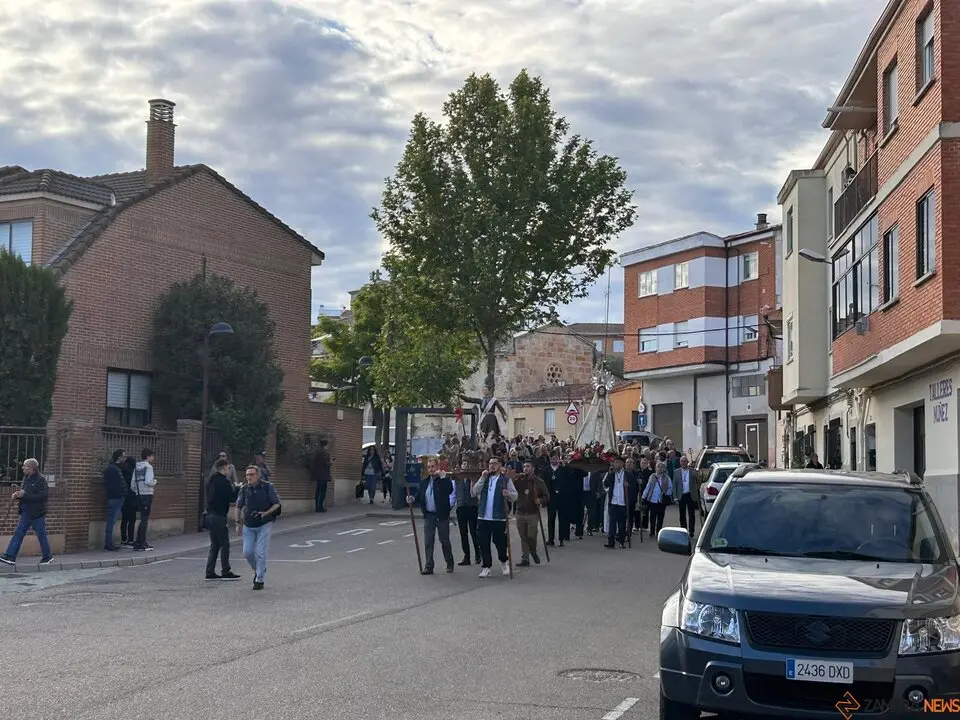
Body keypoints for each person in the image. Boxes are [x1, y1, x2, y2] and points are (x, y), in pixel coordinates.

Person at [470, 456, 518, 578]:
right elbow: (474, 492)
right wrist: (482, 477)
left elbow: (515, 496)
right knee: (483, 543)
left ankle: (504, 562)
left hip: (499, 517)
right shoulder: (484, 478)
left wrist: (509, 494)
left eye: (494, 464)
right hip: (483, 517)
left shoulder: (505, 480)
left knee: (500, 543)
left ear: (500, 466)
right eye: (490, 464)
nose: (492, 466)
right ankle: (486, 567)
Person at [235, 465, 281, 590]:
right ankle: (259, 569)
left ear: (258, 475)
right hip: (248, 524)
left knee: (260, 552)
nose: (249, 477)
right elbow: (238, 506)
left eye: (252, 474)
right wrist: (237, 523)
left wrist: (266, 513)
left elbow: (277, 504)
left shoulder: (267, 487)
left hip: (264, 523)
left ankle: (259, 579)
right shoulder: (244, 489)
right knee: (247, 552)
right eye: (247, 475)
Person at [0, 459, 54, 566]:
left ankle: (47, 557)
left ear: (31, 468)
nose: (23, 468)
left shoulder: (41, 480)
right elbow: (25, 493)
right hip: (26, 511)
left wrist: (24, 495)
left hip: (37, 513)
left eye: (25, 466)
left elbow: (42, 497)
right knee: (19, 533)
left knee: (41, 535)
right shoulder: (26, 478)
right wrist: (18, 495)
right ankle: (10, 556)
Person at [407, 457, 456, 575]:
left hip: (441, 516)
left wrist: (443, 477)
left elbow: (449, 490)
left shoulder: (443, 480)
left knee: (444, 540)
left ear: (438, 467)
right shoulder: (424, 482)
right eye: (429, 467)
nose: (431, 470)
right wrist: (412, 499)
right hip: (429, 516)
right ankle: (429, 565)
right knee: (428, 541)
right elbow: (420, 495)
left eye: (433, 467)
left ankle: (449, 562)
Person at [205, 458, 241, 580]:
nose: (228, 470)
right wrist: (237, 488)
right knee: (225, 544)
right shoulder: (224, 481)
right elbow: (231, 498)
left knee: (214, 545)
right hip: (219, 516)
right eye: (228, 468)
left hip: (209, 515)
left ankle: (209, 571)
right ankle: (226, 570)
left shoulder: (211, 480)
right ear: (225, 467)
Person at [513, 460, 549, 566]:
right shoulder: (519, 480)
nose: (525, 468)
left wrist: (540, 500)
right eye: (524, 466)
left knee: (531, 536)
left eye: (528, 466)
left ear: (533, 468)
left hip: (532, 513)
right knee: (523, 537)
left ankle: (533, 552)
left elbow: (547, 496)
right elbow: (511, 489)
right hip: (520, 512)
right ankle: (525, 558)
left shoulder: (538, 481)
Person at [603, 456, 631, 549]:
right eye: (615, 463)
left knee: (622, 523)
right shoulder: (612, 474)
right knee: (612, 523)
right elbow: (606, 483)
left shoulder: (627, 474)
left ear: (622, 464)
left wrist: (628, 485)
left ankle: (621, 541)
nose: (616, 464)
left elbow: (634, 485)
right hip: (614, 502)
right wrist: (610, 473)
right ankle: (611, 541)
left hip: (623, 503)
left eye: (618, 462)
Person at [131, 449, 157, 551]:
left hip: (138, 494)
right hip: (147, 494)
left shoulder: (136, 467)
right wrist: (154, 481)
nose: (153, 458)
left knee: (142, 518)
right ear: (148, 456)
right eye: (152, 456)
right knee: (144, 520)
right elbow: (148, 482)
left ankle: (138, 542)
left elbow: (132, 484)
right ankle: (141, 543)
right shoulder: (148, 467)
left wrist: (138, 491)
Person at [454, 472, 481, 566]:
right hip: (461, 508)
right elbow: (454, 493)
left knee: (474, 532)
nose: (465, 467)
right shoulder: (458, 479)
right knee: (463, 534)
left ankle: (478, 554)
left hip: (472, 507)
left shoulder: (473, 478)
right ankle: (466, 557)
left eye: (466, 465)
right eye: (463, 465)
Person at [102, 449, 126, 551]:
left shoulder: (115, 468)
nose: (125, 459)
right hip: (115, 498)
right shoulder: (112, 469)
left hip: (116, 497)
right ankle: (108, 544)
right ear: (119, 457)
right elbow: (112, 485)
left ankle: (109, 543)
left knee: (113, 520)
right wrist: (120, 494)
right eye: (123, 456)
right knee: (111, 521)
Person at [642, 461, 672, 538]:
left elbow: (670, 487)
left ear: (664, 469)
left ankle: (658, 531)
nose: (660, 468)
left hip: (662, 500)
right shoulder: (652, 476)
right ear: (655, 468)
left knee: (660, 517)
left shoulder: (667, 477)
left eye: (662, 467)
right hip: (652, 499)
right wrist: (643, 496)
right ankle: (652, 531)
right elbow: (648, 487)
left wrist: (666, 494)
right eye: (658, 467)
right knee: (652, 516)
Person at [672, 455, 697, 537]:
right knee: (682, 514)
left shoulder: (692, 471)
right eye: (681, 461)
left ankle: (691, 530)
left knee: (691, 513)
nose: (683, 463)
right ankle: (684, 530)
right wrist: (675, 497)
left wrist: (696, 474)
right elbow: (674, 485)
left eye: (684, 461)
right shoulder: (676, 472)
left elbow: (698, 480)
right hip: (681, 495)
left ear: (687, 462)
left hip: (690, 494)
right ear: (680, 463)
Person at [119, 456, 138, 547]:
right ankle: (130, 539)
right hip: (132, 498)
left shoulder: (122, 471)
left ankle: (123, 539)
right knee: (132, 520)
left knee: (124, 519)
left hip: (124, 498)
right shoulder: (133, 473)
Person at [311, 440, 332, 512]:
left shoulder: (317, 452)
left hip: (318, 474)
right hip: (323, 475)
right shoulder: (325, 452)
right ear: (326, 445)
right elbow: (326, 463)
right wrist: (330, 462)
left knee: (318, 491)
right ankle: (320, 507)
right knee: (322, 491)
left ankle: (317, 506)